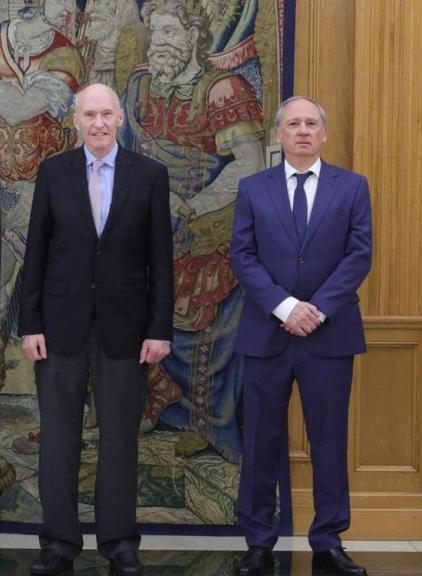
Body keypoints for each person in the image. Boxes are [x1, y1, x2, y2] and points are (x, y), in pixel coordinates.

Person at [19, 83, 173, 576]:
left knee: (119, 440)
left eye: (108, 113)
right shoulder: (54, 172)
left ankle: (120, 543)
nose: (99, 122)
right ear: (76, 120)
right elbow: (36, 254)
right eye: (90, 114)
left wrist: (159, 329)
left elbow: (160, 263)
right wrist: (30, 324)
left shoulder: (150, 176)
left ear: (121, 118)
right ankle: (59, 544)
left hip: (126, 331)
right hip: (59, 329)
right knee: (59, 439)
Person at [231, 96, 372, 576]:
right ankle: (258, 542)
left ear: (324, 134)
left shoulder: (352, 187)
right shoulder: (253, 189)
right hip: (268, 334)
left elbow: (359, 254)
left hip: (328, 337)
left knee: (329, 440)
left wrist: (317, 310)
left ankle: (328, 541)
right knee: (261, 442)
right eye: (294, 124)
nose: (304, 131)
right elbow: (242, 256)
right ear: (279, 134)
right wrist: (286, 307)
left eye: (312, 123)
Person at [119, 0, 266, 461]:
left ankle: (205, 422)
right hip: (145, 224)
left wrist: (191, 205)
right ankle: (149, 403)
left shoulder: (223, 89)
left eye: (169, 34)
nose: (158, 43)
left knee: (204, 325)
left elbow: (249, 164)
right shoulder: (140, 86)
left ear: (195, 38)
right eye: (154, 33)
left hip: (204, 225)